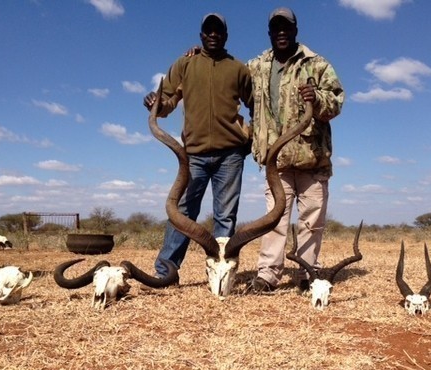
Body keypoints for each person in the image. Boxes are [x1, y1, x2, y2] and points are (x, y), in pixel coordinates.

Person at [143, 13, 253, 280]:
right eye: (208, 30)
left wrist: (249, 139)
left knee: (225, 216)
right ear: (201, 35)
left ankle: (221, 275)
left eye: (218, 31)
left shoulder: (238, 68)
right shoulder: (185, 64)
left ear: (225, 36)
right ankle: (166, 272)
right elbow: (167, 99)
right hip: (192, 155)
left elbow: (255, 104)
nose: (213, 34)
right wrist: (156, 102)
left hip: (230, 155)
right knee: (182, 213)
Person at [249, 7, 345, 292]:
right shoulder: (255, 66)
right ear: (269, 33)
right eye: (276, 28)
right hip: (275, 162)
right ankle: (268, 274)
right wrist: (198, 55)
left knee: (311, 222)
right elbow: (233, 87)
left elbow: (336, 102)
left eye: (286, 28)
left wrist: (317, 97)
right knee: (274, 220)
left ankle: (307, 273)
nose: (281, 32)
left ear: (295, 31)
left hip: (311, 159)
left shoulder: (317, 63)